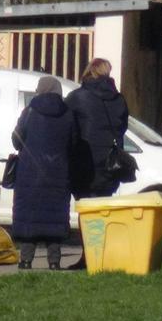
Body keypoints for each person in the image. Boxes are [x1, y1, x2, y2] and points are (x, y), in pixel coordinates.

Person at [64, 58, 129, 269]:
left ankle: (89, 257)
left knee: (87, 212)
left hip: (84, 163)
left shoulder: (76, 98)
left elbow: (69, 129)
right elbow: (122, 127)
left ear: (88, 72)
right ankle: (101, 256)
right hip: (111, 164)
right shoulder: (118, 99)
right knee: (103, 211)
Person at [11, 76, 78, 270]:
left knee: (30, 216)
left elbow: (17, 139)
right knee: (54, 217)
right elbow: (73, 143)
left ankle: (25, 260)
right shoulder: (68, 113)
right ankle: (54, 261)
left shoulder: (30, 111)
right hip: (58, 172)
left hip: (30, 172)